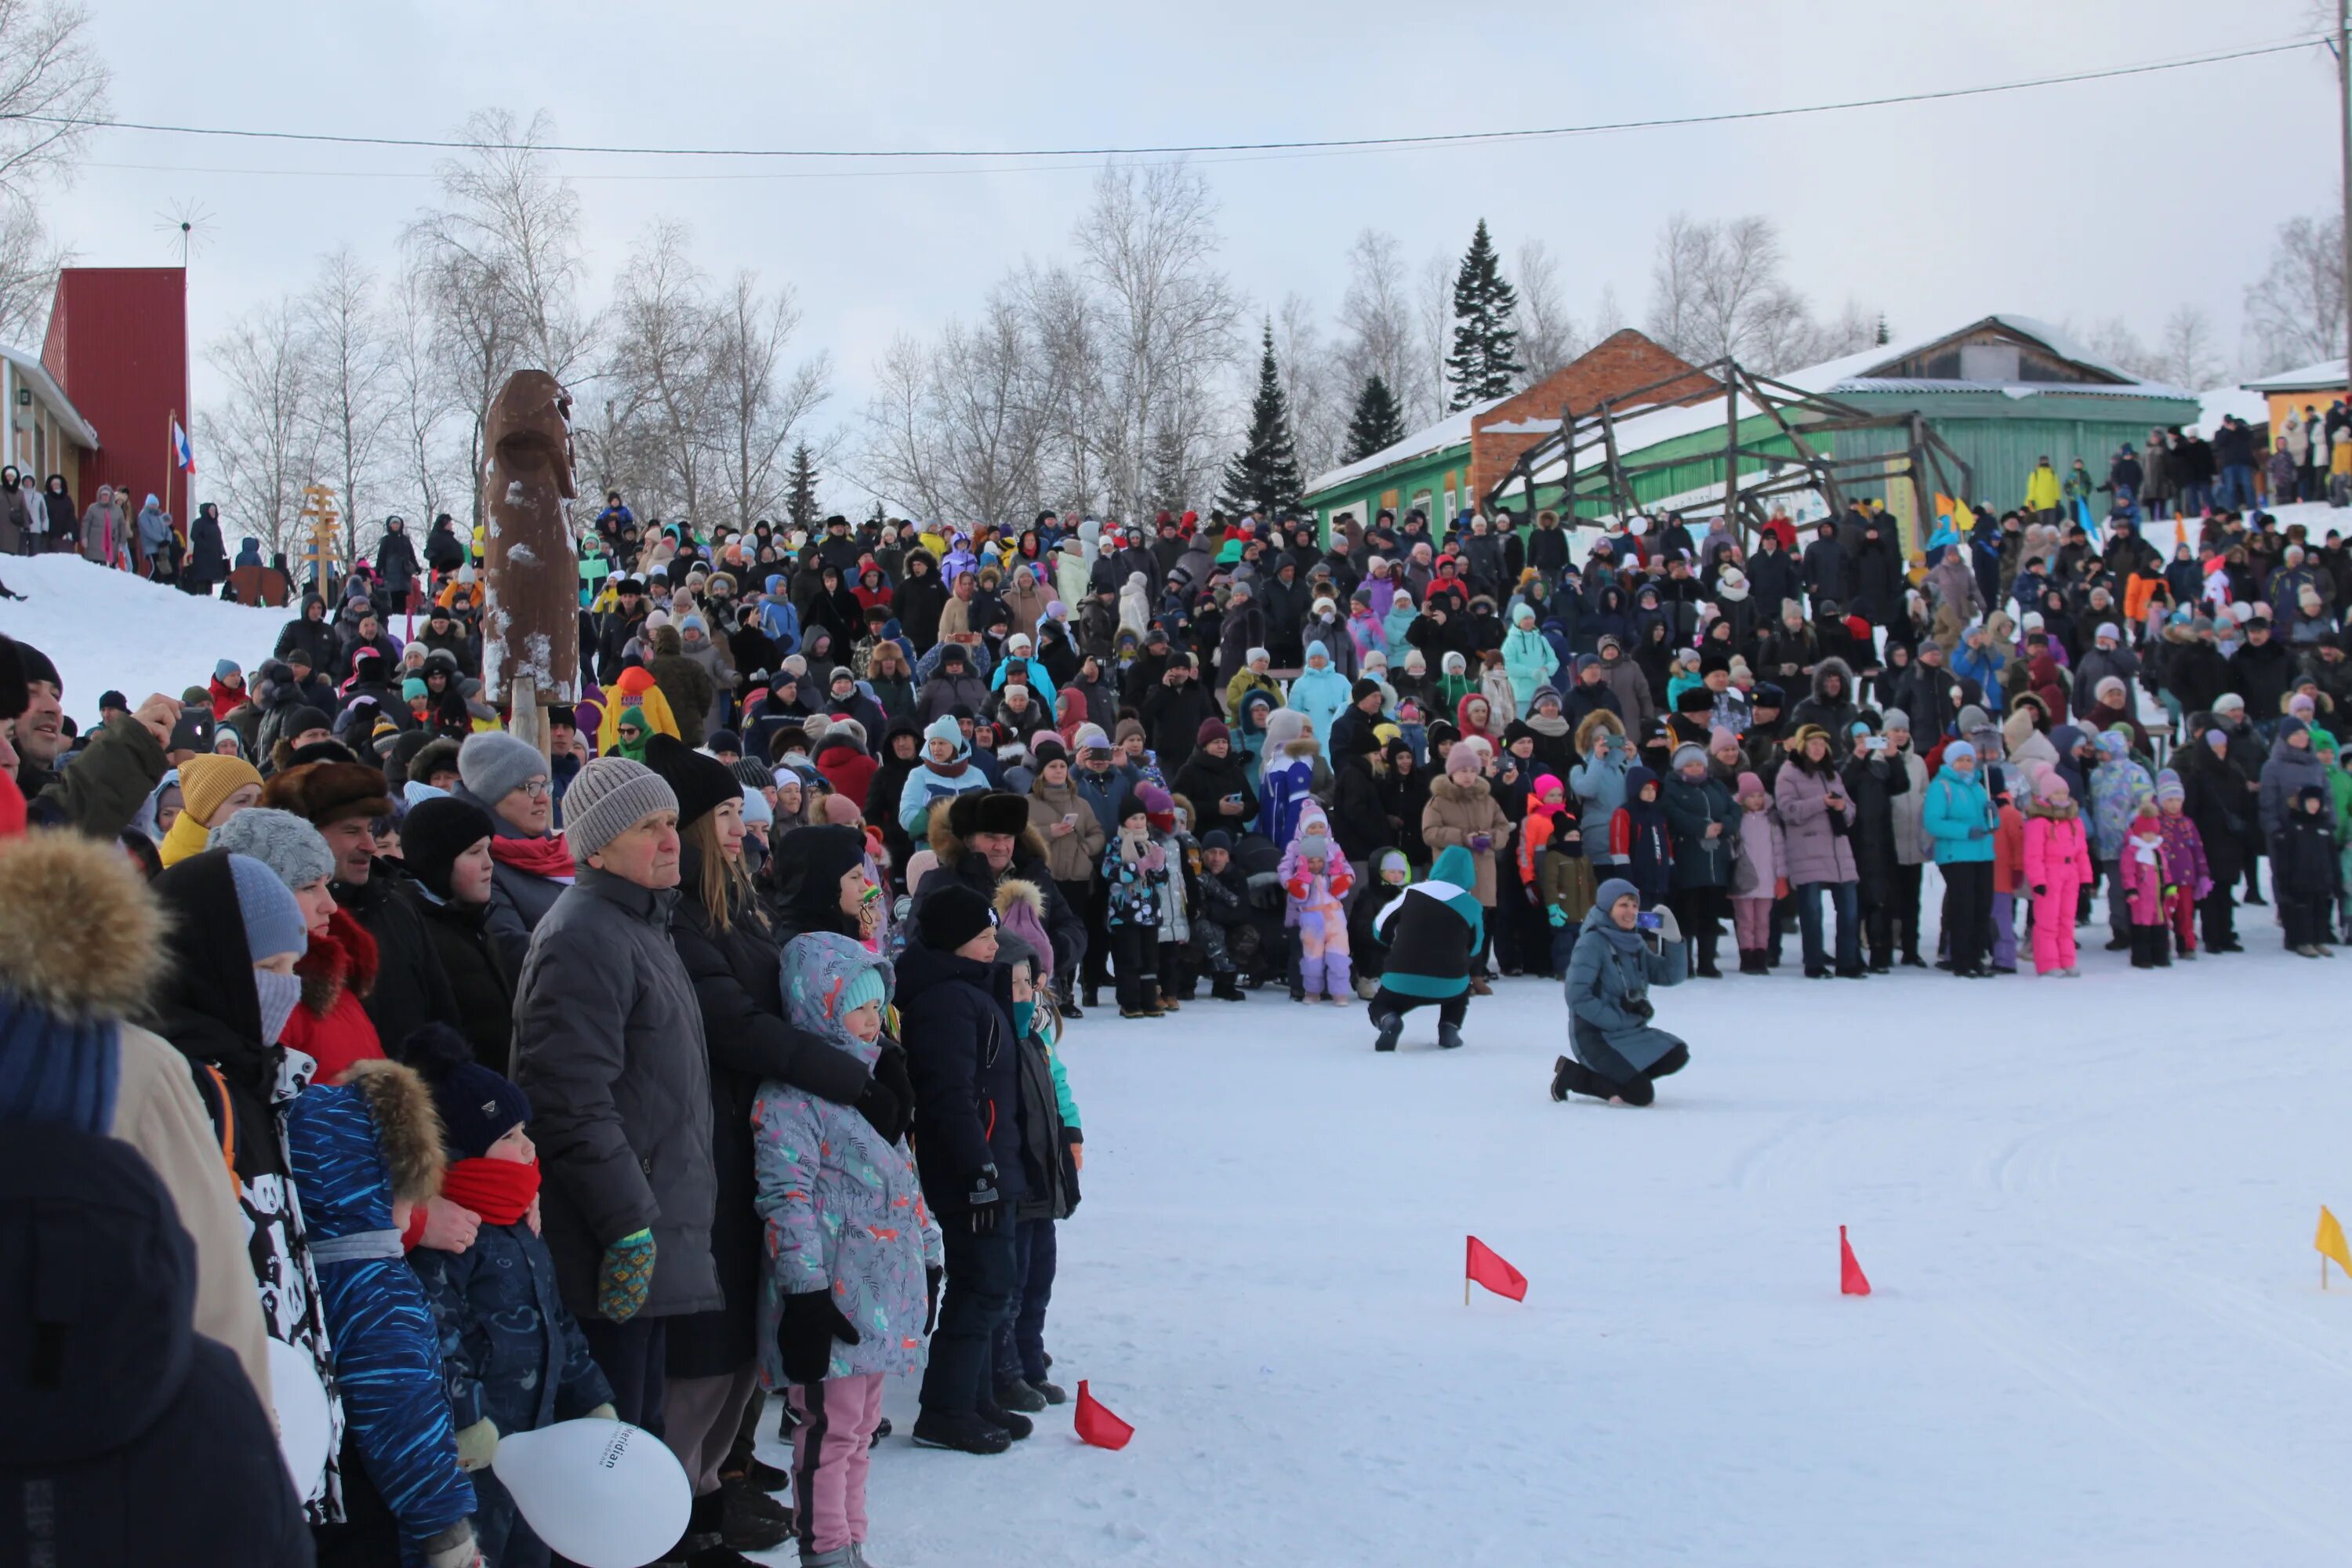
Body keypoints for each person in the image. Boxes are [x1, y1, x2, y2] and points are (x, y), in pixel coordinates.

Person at [0, 828, 274, 1410]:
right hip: (104, 1449)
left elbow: (211, 1291)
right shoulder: (128, 1063)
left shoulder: (132, 1065)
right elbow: (216, 1300)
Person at [511, 757, 719, 1438]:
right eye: (646, 828)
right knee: (612, 1447)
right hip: (612, 1245)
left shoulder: (640, 925)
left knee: (642, 1434)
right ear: (596, 846)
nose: (670, 841)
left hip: (654, 1229)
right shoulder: (584, 937)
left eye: (669, 823)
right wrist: (627, 1225)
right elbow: (569, 1099)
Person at [149, 851, 346, 1521]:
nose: (285, 990)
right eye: (267, 971)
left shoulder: (260, 1078)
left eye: (293, 970)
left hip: (283, 1423)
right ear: (205, 964)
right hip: (216, 1431)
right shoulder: (174, 1086)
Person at [753, 930, 935, 1566]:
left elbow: (905, 1185)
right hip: (831, 1296)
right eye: (856, 1006)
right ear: (820, 1009)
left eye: (876, 1005)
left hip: (880, 1295)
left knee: (859, 1432)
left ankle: (851, 1540)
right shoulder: (793, 1098)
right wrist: (804, 1290)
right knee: (827, 1432)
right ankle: (826, 1548)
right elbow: (787, 1198)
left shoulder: (876, 1088)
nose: (872, 1019)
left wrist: (930, 1257)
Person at [898, 884, 1029, 1454]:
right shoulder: (947, 999)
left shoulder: (966, 990)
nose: (993, 946)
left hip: (985, 1161)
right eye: (983, 937)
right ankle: (947, 1408)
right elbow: (951, 1096)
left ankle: (974, 1397)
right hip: (970, 1168)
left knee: (990, 1283)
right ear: (955, 943)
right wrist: (979, 1171)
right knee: (983, 1283)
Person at [1550, 879, 1690, 1107]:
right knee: (1641, 1095)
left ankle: (1619, 1080)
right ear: (1607, 907)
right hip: (1597, 1036)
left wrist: (1673, 940)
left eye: (1635, 906)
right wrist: (1613, 1019)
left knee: (1677, 1053)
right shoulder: (1592, 942)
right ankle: (1574, 1075)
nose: (1631, 912)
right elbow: (1576, 995)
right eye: (1623, 905)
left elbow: (1668, 976)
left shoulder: (1634, 943)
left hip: (1630, 1032)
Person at [1366, 844, 1483, 1052]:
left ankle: (1388, 1020)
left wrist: (1390, 945)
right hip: (1451, 984)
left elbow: (1379, 927)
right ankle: (1450, 1028)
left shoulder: (1412, 892)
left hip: (1401, 979)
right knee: (1460, 991)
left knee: (1380, 1005)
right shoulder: (1472, 905)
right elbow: (1476, 947)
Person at [1421, 742, 1512, 994]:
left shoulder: (1488, 799)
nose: (1469, 775)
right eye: (1463, 770)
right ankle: (1455, 976)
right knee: (1454, 927)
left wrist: (1491, 837)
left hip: (1482, 871)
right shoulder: (1438, 802)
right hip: (1453, 874)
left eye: (1472, 770)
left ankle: (1477, 973)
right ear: (1451, 772)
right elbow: (1430, 833)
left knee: (1479, 926)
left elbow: (1503, 827)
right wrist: (1463, 837)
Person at [1775, 725, 1863, 979]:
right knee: (1812, 911)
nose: (1818, 749)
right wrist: (1820, 803)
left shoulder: (1832, 772)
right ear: (1803, 746)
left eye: (1822, 744)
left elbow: (1851, 812)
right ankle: (1814, 963)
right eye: (1813, 744)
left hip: (1838, 850)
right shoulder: (1789, 773)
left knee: (1849, 909)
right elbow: (1787, 810)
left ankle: (1848, 962)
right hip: (1807, 848)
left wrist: (1842, 805)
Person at [1923, 741, 1999, 978]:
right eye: (1961, 760)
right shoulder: (1941, 786)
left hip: (1982, 854)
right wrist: (1965, 832)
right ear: (1950, 762)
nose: (1966, 764)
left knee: (1982, 906)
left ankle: (1977, 958)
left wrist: (1993, 817)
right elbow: (1934, 822)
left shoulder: (1978, 786)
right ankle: (1961, 959)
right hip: (1956, 855)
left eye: (1969, 759)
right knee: (1963, 906)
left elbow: (1990, 825)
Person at [1099, 793, 1170, 1018]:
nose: (1139, 823)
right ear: (1123, 822)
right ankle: (1129, 1001)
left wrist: (1158, 868)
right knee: (1129, 958)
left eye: (1142, 818)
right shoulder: (1117, 844)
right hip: (1124, 913)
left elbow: (1162, 880)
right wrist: (1140, 867)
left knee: (1150, 958)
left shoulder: (1152, 844)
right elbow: (1110, 873)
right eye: (1133, 818)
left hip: (1149, 914)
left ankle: (1149, 999)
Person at [1280, 804, 1356, 1005]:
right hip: (1306, 911)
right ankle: (1307, 989)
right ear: (1303, 828)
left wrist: (1347, 878)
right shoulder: (1295, 847)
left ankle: (1338, 991)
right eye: (1311, 827)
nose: (1316, 831)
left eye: (1320, 826)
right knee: (1308, 954)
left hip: (1332, 911)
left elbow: (1346, 868)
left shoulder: (1334, 847)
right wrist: (1290, 881)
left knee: (1338, 953)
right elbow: (1285, 867)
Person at [2274, 784, 2342, 957]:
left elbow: (2333, 855)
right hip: (2300, 879)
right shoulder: (2294, 826)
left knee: (2321, 911)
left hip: (2322, 878)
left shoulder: (2325, 826)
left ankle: (2319, 940)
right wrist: (2284, 879)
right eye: (2310, 801)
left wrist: (2336, 878)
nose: (2313, 805)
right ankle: (2303, 942)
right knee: (2303, 911)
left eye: (2316, 802)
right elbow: (2285, 856)